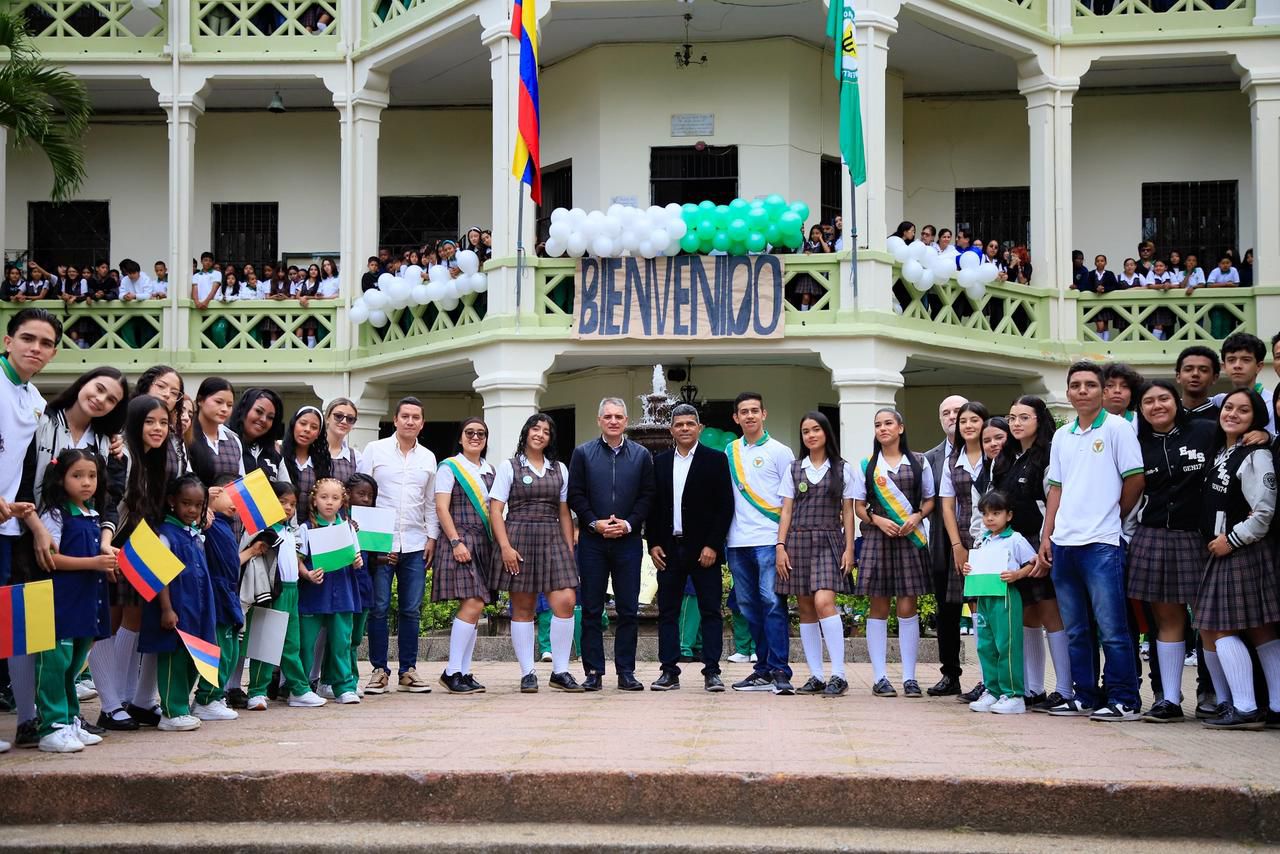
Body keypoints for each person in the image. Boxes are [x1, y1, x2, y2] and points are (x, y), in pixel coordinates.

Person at [1040, 361, 1145, 721]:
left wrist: (1114, 515)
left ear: (1102, 390)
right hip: (1065, 542)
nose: (1082, 390)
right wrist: (1047, 535)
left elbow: (1135, 480)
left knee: (1113, 629)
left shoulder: (1117, 428)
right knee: (1077, 630)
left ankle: (1125, 699)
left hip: (1103, 542)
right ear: (1067, 392)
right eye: (1075, 385)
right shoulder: (1062, 434)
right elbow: (1056, 488)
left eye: (1089, 384)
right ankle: (1084, 695)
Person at [1129, 380, 1216, 723]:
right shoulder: (1137, 443)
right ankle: (1168, 699)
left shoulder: (1207, 431)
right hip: (1153, 536)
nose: (1156, 406)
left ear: (1177, 401)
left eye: (1163, 398)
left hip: (1200, 537)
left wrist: (1261, 436)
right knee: (1167, 620)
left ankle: (1220, 699)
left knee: (1211, 620)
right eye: (1148, 401)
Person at [1197, 389, 1280, 730]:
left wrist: (1230, 541)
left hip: (1240, 549)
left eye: (1243, 410)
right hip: (1229, 549)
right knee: (1260, 629)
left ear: (1256, 417)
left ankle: (1245, 708)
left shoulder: (1257, 455)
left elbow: (1264, 512)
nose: (1232, 413)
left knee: (1219, 627)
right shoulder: (1225, 451)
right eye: (1228, 407)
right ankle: (1275, 706)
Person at [567, 397, 655, 692]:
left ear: (626, 421)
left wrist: (628, 523)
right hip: (592, 542)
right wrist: (594, 522)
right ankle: (593, 671)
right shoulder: (582, 453)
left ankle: (626, 672)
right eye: (608, 416)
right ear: (599, 420)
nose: (614, 421)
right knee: (591, 609)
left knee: (629, 610)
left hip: (628, 542)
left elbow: (647, 495)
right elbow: (575, 495)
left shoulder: (641, 455)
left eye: (619, 416)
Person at [491, 413, 582, 692]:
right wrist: (505, 547)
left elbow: (564, 512)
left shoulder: (560, 469)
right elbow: (496, 509)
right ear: (526, 433)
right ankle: (527, 673)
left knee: (565, 601)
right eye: (535, 428)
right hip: (518, 537)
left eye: (546, 431)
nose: (540, 434)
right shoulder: (509, 467)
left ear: (550, 438)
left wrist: (568, 549)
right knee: (523, 607)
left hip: (552, 537)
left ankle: (561, 671)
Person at [32, 448, 116, 752]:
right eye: (77, 475)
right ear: (61, 478)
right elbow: (50, 559)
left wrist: (106, 561)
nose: (86, 482)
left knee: (74, 666)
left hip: (86, 601)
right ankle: (51, 726)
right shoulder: (54, 514)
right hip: (60, 601)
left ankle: (70, 720)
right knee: (55, 663)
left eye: (92, 476)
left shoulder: (93, 514)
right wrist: (94, 563)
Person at [647, 404, 733, 693]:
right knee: (668, 612)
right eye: (679, 424)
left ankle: (712, 671)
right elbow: (653, 506)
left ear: (700, 428)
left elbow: (724, 508)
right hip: (669, 548)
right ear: (671, 430)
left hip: (703, 551)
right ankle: (669, 671)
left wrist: (712, 545)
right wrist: (653, 543)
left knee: (711, 611)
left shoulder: (716, 460)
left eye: (689, 424)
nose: (684, 428)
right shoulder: (658, 462)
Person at [357, 397, 438, 695]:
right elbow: (361, 494)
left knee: (411, 610)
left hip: (416, 542)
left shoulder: (428, 458)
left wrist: (432, 537)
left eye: (416, 417)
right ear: (395, 419)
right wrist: (369, 542)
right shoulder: (374, 450)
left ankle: (408, 670)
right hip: (381, 542)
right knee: (378, 608)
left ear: (422, 423)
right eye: (405, 416)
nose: (410, 421)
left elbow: (430, 502)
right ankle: (379, 670)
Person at [853, 408, 935, 699]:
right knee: (878, 606)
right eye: (878, 425)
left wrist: (916, 517)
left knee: (907, 606)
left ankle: (910, 678)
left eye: (888, 423)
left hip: (908, 538)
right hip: (878, 538)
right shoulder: (867, 464)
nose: (883, 428)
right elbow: (858, 506)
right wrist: (876, 519)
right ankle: (880, 677)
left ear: (900, 427)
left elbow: (929, 499)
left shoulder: (919, 462)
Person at [996, 396, 1071, 712]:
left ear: (1040, 420)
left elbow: (1054, 505)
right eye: (1012, 418)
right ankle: (1033, 688)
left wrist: (1046, 545)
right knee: (1027, 616)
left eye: (1024, 417)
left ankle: (1066, 689)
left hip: (1043, 545)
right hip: (1016, 548)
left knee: (1051, 614)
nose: (1016, 423)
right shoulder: (1010, 458)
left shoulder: (1048, 457)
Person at [775, 412, 855, 697]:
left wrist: (849, 548)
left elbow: (848, 512)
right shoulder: (795, 469)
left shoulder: (843, 469)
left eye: (816, 430)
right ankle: (816, 675)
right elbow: (786, 510)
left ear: (826, 433)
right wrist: (780, 546)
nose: (810, 435)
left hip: (828, 539)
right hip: (797, 540)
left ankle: (839, 674)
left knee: (824, 602)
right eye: (805, 431)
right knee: (806, 608)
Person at [722, 392, 795, 695]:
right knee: (748, 606)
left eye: (755, 410)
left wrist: (782, 544)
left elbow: (790, 502)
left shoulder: (781, 451)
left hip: (769, 541)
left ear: (764, 414)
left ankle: (780, 670)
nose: (750, 416)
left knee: (773, 604)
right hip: (737, 541)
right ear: (736, 418)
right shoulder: (729, 451)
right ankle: (762, 669)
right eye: (744, 412)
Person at [139, 475, 218, 732]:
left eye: (198, 505)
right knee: (174, 658)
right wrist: (166, 608)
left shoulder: (194, 534)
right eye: (186, 503)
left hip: (198, 608)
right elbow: (159, 575)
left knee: (195, 658)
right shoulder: (166, 533)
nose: (192, 510)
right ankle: (172, 711)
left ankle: (182, 706)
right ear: (173, 501)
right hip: (177, 608)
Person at [242, 481, 327, 711]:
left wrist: (307, 574)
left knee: (291, 643)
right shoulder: (265, 532)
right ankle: (257, 691)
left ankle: (298, 689)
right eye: (282, 502)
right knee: (264, 642)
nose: (288, 508)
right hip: (272, 592)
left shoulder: (291, 531)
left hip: (292, 590)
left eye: (292, 503)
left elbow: (296, 561)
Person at [433, 418, 497, 694]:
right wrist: (455, 541)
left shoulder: (490, 469)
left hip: (484, 542)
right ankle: (451, 671)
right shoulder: (449, 467)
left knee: (478, 605)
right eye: (469, 433)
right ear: (460, 438)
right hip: (460, 540)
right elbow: (441, 508)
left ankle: (464, 671)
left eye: (481, 433)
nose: (475, 437)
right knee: (473, 602)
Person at [961, 491, 1037, 715]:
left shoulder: (1015, 539)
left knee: (1007, 645)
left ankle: (1013, 694)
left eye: (996, 513)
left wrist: (1017, 575)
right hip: (984, 597)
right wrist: (969, 569)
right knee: (986, 645)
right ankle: (993, 690)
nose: (990, 518)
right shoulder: (983, 540)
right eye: (985, 514)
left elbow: (1033, 563)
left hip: (1006, 597)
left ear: (1009, 515)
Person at [297, 477, 362, 706]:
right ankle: (301, 686)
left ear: (342, 502)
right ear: (314, 500)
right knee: (306, 642)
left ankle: (344, 686)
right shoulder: (305, 528)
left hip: (342, 591)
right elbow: (298, 559)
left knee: (341, 641)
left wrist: (357, 562)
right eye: (324, 497)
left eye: (335, 498)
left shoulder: (347, 528)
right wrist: (306, 574)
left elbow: (356, 557)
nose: (329, 503)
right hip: (314, 592)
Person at [190, 475, 249, 722]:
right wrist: (204, 503)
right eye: (230, 495)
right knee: (221, 651)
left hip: (230, 592)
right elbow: (194, 522)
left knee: (232, 651)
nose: (236, 502)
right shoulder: (208, 523)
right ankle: (206, 698)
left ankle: (216, 695)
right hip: (217, 593)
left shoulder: (224, 523)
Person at [924, 395, 967, 697]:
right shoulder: (930, 458)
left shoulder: (990, 447)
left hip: (983, 541)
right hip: (943, 543)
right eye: (946, 412)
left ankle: (996, 677)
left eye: (957, 411)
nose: (951, 416)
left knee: (985, 607)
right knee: (947, 611)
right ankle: (950, 674)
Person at [345, 473, 380, 694]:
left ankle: (348, 677)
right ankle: (346, 678)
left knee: (356, 636)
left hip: (365, 585)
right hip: (348, 585)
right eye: (361, 494)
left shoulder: (373, 521)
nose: (366, 499)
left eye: (370, 495)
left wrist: (387, 558)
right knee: (344, 636)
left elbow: (373, 556)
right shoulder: (340, 520)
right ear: (347, 495)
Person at [187, 377, 245, 486]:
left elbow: (241, 482)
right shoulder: (186, 436)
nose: (224, 409)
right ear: (200, 400)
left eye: (229, 405)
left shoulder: (234, 441)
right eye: (219, 402)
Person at [1214, 333, 1274, 434]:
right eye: (1231, 360)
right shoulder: (1218, 401)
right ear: (1224, 366)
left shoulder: (1272, 403)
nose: (1237, 365)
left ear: (1259, 366)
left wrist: (1267, 437)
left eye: (1246, 360)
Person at [282, 406, 331, 522]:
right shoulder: (278, 455)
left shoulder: (321, 462)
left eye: (314, 427)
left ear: (318, 433)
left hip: (311, 528)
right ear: (294, 425)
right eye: (303, 423)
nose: (307, 429)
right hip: (279, 528)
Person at [230, 388, 284, 481]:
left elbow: (288, 493)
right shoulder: (224, 444)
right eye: (258, 411)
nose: (263, 419)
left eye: (270, 417)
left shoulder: (275, 456)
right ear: (243, 409)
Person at [1176, 345, 1222, 422]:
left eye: (1203, 370)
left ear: (1214, 378)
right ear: (1178, 376)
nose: (1195, 374)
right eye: (1188, 369)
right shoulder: (1166, 415)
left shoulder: (1223, 418)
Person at [325, 398, 361, 484]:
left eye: (350, 419)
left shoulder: (356, 457)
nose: (344, 421)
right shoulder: (310, 449)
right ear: (327, 418)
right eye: (338, 416)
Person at [1102, 362, 1143, 428]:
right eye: (1110, 385)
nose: (1117, 390)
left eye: (1124, 386)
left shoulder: (1142, 421)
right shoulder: (1086, 422)